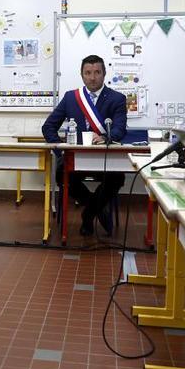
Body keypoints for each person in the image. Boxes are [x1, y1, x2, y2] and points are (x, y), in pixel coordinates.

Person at [42, 54, 127, 236]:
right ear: (82, 75)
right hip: (75, 159)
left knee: (117, 178)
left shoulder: (117, 98)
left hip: (104, 159)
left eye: (97, 72)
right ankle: (98, 211)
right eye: (88, 73)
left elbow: (120, 129)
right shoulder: (71, 97)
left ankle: (88, 215)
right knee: (61, 175)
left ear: (104, 74)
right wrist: (60, 150)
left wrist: (106, 137)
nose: (93, 77)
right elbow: (48, 127)